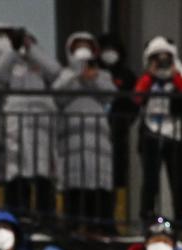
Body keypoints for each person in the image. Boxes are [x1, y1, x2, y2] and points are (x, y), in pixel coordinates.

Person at [0, 25, 60, 218]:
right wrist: (12, 51)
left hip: (40, 119)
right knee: (15, 169)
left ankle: (45, 216)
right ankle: (17, 214)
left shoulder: (40, 61)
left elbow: (55, 71)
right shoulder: (11, 61)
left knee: (42, 169)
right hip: (16, 118)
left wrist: (32, 49)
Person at [53, 34, 116, 232]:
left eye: (86, 46)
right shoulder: (64, 75)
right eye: (78, 47)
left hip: (98, 137)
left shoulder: (102, 75)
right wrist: (76, 74)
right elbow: (57, 95)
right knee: (74, 181)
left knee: (99, 181)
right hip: (72, 137)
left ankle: (102, 225)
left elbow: (111, 95)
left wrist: (93, 78)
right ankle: (73, 223)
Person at [134, 36, 182, 222]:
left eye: (165, 58)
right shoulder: (147, 78)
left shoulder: (179, 76)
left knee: (178, 181)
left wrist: (175, 76)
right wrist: (150, 75)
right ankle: (147, 218)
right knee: (150, 181)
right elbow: (137, 98)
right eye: (157, 58)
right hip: (150, 133)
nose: (162, 62)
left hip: (175, 134)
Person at [97, 32, 137, 194]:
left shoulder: (127, 76)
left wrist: (124, 122)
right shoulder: (93, 73)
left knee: (116, 174)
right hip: (96, 132)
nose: (109, 53)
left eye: (112, 49)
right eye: (105, 49)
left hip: (117, 133)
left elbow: (134, 103)